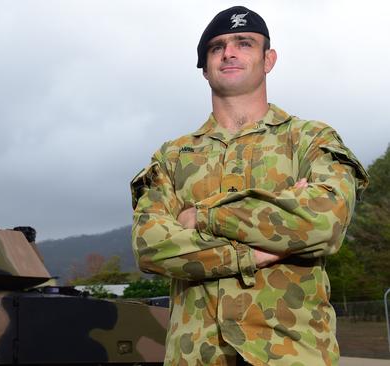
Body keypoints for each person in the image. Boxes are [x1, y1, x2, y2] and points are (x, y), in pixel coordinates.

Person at [130, 6, 369, 366]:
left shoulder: (308, 139)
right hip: (197, 354)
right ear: (205, 67)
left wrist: (201, 217)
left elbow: (324, 222)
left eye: (244, 43)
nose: (229, 52)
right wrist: (254, 252)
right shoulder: (173, 157)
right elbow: (150, 244)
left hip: (291, 352)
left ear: (268, 59)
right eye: (217, 47)